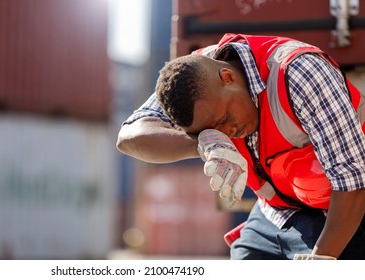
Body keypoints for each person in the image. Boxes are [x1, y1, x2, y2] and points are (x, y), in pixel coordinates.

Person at [116, 33, 365, 260]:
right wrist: (205, 143)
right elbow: (129, 137)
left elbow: (354, 180)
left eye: (224, 120)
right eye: (213, 128)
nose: (229, 133)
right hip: (281, 210)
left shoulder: (300, 72)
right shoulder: (189, 81)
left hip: (349, 209)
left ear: (228, 78)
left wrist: (322, 261)